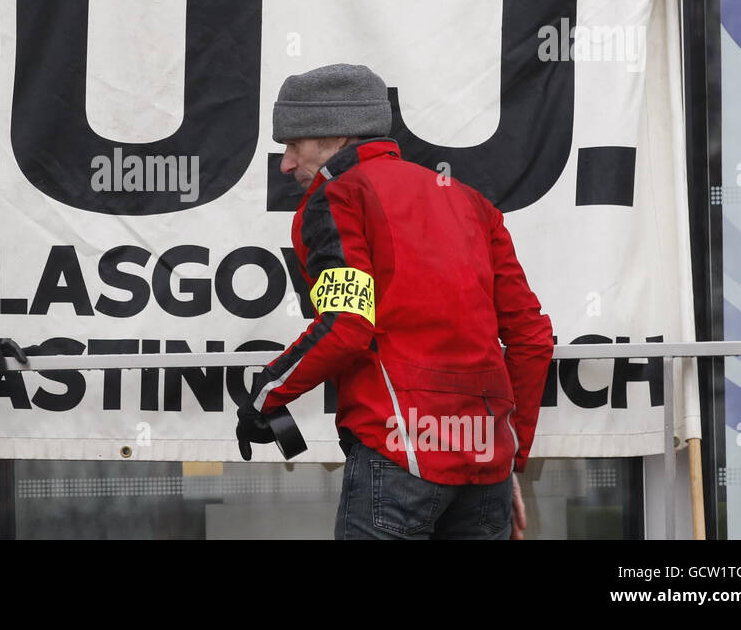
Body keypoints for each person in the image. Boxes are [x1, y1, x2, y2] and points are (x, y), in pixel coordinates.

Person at [236, 63, 553, 540]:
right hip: (487, 464)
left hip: (398, 452)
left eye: (293, 145)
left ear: (335, 139)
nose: (285, 164)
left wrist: (265, 394)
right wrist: (511, 457)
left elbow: (347, 325)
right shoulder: (470, 201)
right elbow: (530, 338)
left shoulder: (337, 196)